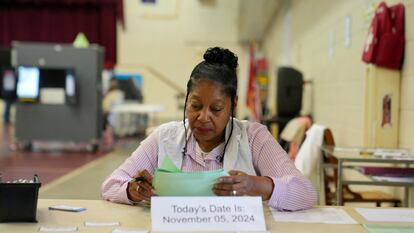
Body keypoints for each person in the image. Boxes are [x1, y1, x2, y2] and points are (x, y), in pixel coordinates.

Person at [101, 47, 317, 211]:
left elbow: (305, 193)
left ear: (233, 105)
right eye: (195, 106)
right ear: (186, 101)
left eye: (216, 109)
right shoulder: (164, 138)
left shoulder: (253, 138)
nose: (203, 117)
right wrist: (133, 189)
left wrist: (256, 185)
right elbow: (110, 185)